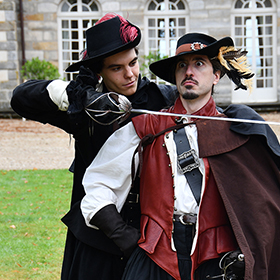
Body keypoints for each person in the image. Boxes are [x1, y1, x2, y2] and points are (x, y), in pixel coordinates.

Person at [81, 32, 280, 280]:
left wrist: (243, 253)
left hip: (216, 260)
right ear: (175, 77)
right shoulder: (145, 128)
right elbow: (97, 185)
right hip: (155, 256)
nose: (189, 72)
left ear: (216, 75)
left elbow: (260, 206)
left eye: (199, 64)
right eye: (182, 66)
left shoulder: (234, 130)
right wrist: (128, 239)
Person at [11, 13, 176, 280]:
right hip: (94, 236)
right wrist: (82, 96)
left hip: (149, 234)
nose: (130, 74)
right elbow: (21, 98)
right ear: (99, 71)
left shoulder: (162, 99)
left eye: (133, 63)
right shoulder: (85, 106)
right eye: (116, 68)